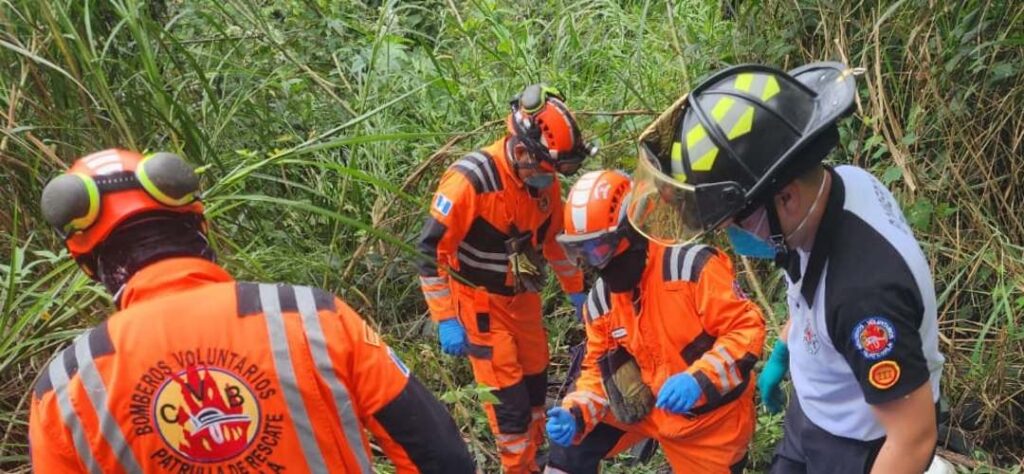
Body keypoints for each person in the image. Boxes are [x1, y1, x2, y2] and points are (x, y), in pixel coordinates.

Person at [30, 149, 476, 473]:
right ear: (200, 226)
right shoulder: (312, 319)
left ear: (88, 263)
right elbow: (441, 457)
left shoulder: (64, 390)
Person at [626, 62, 944, 473]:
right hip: (815, 413)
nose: (731, 238)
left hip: (858, 445)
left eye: (735, 223)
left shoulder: (865, 295)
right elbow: (812, 294)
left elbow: (913, 438)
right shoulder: (838, 188)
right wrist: (785, 350)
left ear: (786, 198)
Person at [416, 84, 595, 473]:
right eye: (546, 170)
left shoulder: (543, 188)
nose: (550, 181)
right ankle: (518, 467)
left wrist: (577, 293)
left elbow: (556, 245)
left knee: (534, 389)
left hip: (523, 300)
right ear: (520, 150)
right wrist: (445, 317)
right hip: (480, 306)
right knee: (509, 405)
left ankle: (535, 460)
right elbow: (430, 251)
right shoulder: (471, 181)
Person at [544, 170, 766, 473]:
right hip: (644, 409)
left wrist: (697, 379)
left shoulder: (691, 268)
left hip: (707, 424)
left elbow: (745, 330)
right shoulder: (601, 301)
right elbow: (597, 371)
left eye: (597, 249)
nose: (593, 264)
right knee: (569, 446)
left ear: (628, 232)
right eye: (580, 252)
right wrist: (576, 412)